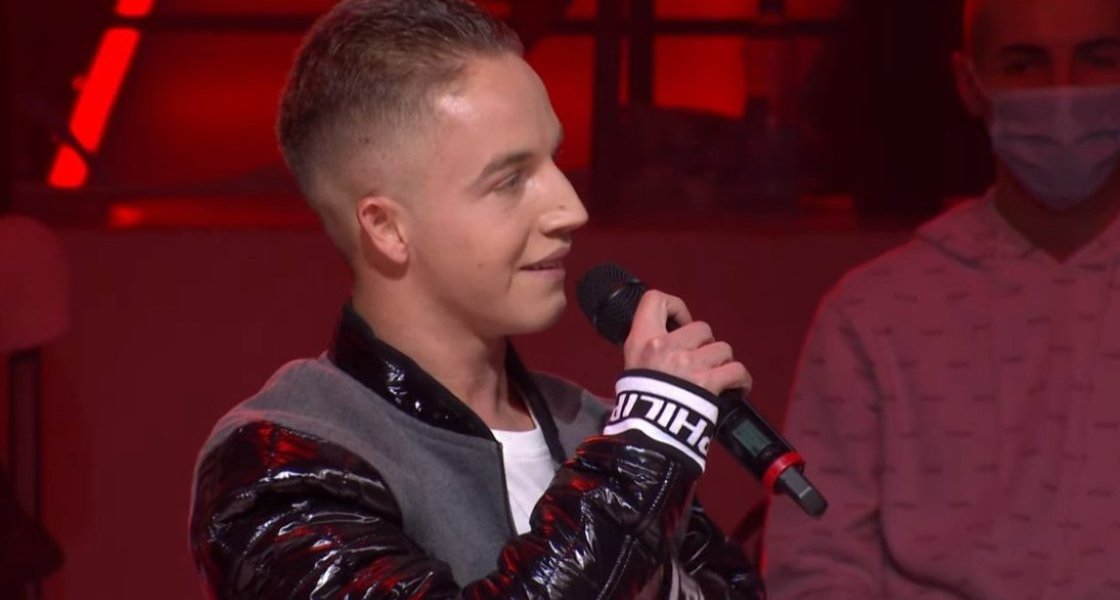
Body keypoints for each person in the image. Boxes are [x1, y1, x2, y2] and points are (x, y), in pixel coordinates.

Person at [187, 1, 763, 599]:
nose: (570, 209)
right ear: (387, 228)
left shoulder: (598, 429)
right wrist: (648, 448)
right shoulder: (284, 461)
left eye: (556, 160)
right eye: (510, 180)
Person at [764, 0, 1120, 597]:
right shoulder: (871, 314)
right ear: (970, 84)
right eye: (1026, 64)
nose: (1063, 91)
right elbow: (816, 560)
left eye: (1095, 60)